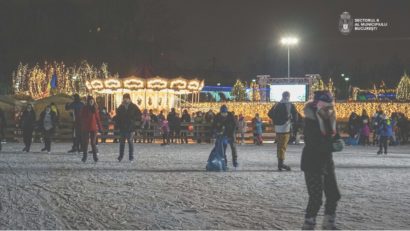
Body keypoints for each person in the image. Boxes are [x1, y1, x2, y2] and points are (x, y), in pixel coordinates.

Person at [301, 90, 341, 230]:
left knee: (334, 194)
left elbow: (335, 134)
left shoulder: (330, 117)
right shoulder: (310, 120)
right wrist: (332, 145)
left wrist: (338, 140)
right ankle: (309, 224)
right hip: (312, 162)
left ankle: (329, 222)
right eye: (326, 105)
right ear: (318, 105)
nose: (329, 108)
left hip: (326, 161)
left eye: (331, 105)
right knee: (316, 198)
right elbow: (314, 142)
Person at [268, 91, 297, 171]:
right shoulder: (290, 105)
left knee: (279, 146)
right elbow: (295, 117)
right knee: (283, 147)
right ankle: (281, 164)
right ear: (288, 96)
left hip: (278, 128)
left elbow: (269, 114)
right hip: (285, 128)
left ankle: (280, 163)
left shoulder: (276, 104)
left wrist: (276, 120)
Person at [115, 93, 141, 162]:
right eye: (124, 98)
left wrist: (133, 121)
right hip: (122, 127)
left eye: (127, 98)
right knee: (122, 143)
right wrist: (117, 125)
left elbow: (139, 115)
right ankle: (120, 156)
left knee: (130, 142)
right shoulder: (121, 107)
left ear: (129, 99)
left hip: (130, 127)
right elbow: (118, 117)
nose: (125, 100)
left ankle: (131, 157)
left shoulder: (133, 106)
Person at [80, 96, 102, 162]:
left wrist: (100, 128)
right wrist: (82, 125)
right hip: (86, 128)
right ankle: (84, 157)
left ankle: (95, 157)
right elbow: (82, 117)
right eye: (90, 101)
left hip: (93, 128)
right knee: (85, 143)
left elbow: (98, 119)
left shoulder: (95, 109)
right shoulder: (84, 108)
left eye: (92, 101)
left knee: (93, 143)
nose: (91, 102)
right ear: (88, 102)